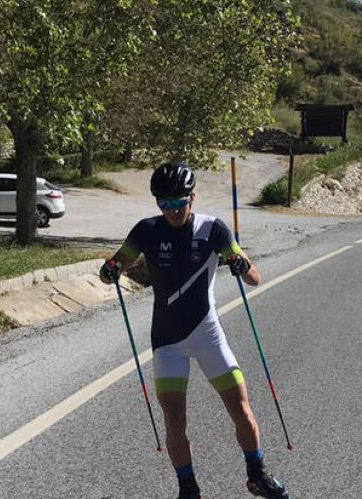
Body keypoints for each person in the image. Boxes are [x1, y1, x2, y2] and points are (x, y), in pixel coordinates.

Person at [99, 162, 290, 499]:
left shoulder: (213, 230)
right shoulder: (146, 230)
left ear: (193, 198)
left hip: (207, 335)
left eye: (179, 202)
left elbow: (254, 277)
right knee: (175, 423)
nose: (173, 211)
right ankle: (188, 489)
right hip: (167, 343)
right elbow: (117, 263)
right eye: (165, 204)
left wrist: (241, 265)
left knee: (242, 410)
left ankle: (256, 475)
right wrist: (109, 270)